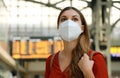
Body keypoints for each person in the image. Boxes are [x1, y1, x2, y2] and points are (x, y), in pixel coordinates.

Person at [45, 6, 108, 78]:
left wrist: (88, 72)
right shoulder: (50, 61)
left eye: (75, 19)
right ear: (58, 28)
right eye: (64, 19)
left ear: (82, 28)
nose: (69, 23)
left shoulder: (95, 58)